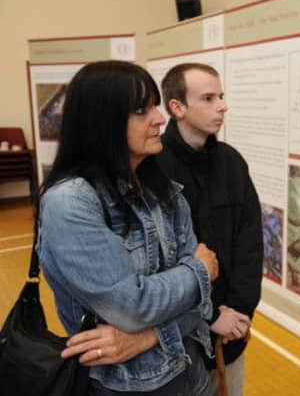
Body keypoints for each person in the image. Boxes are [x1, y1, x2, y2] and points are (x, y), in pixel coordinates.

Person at [37, 60, 219, 395]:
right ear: (101, 122)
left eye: (155, 106)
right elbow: (130, 306)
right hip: (125, 386)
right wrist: (199, 272)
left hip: (191, 374)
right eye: (141, 110)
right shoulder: (71, 202)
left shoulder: (164, 191)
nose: (160, 119)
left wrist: (149, 336)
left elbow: (200, 304)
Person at [157, 62, 263, 396]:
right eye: (208, 98)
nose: (222, 105)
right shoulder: (153, 167)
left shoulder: (232, 162)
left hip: (231, 333)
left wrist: (240, 309)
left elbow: (251, 242)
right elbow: (162, 260)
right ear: (177, 107)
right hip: (177, 342)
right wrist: (210, 314)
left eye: (221, 96)